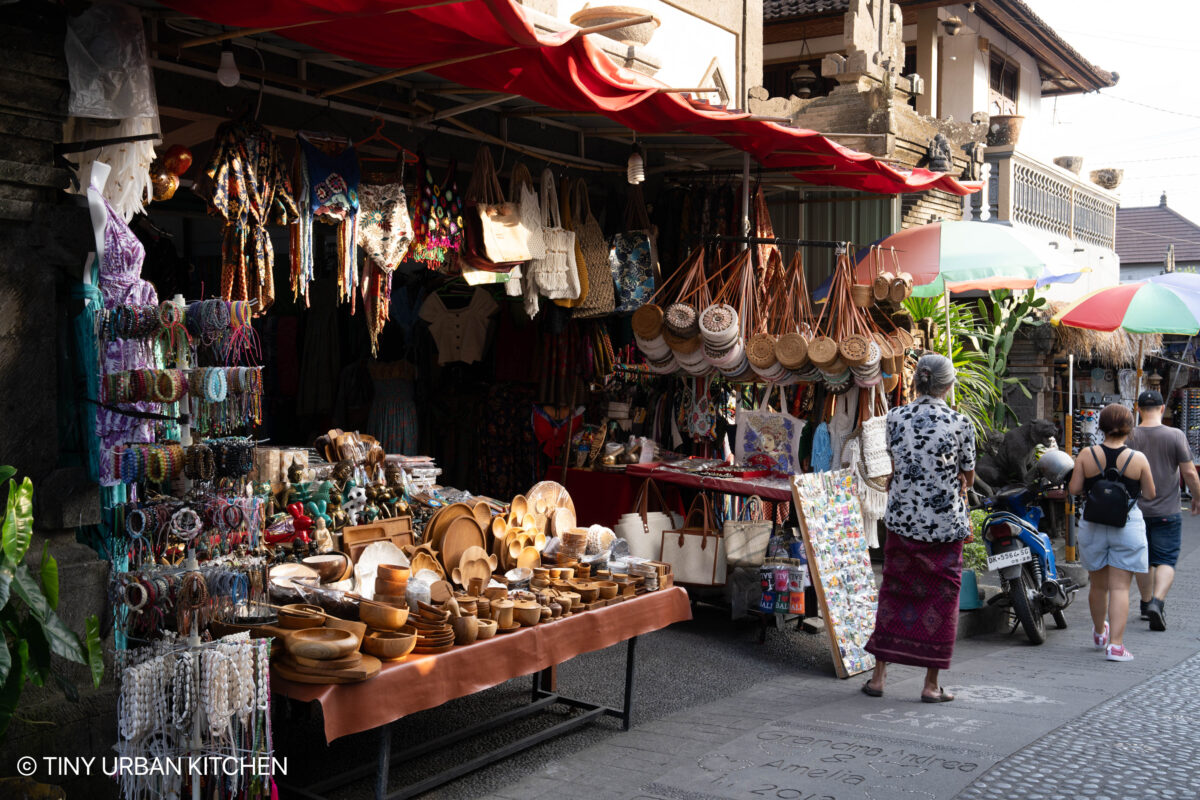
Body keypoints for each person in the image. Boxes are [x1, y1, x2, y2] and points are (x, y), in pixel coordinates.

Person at [862, 354, 975, 703]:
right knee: (940, 603)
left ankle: (879, 678)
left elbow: (897, 464)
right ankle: (930, 685)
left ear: (917, 382)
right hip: (944, 529)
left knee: (894, 594)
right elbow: (967, 476)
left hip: (902, 523)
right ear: (948, 385)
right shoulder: (960, 423)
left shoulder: (895, 417)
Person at [1068, 403, 1155, 662]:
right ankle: (1116, 646)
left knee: (1098, 584)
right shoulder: (1138, 458)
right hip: (1126, 525)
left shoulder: (1086, 454)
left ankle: (1098, 633)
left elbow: (1073, 489)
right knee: (1120, 588)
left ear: (1100, 426)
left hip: (1093, 525)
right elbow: (1150, 494)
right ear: (1129, 427)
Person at [1128, 390, 1200, 632]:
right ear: (1162, 409)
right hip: (1168, 510)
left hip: (1135, 511)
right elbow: (1190, 473)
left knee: (1143, 559)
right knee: (1166, 559)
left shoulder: (1130, 436)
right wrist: (1197, 497)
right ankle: (1158, 602)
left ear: (1138, 409)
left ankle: (1146, 603)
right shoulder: (1175, 435)